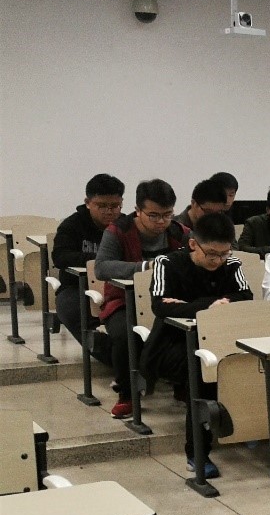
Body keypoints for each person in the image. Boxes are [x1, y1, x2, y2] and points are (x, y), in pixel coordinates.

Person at [142, 213, 251, 480]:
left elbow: (245, 296)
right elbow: (161, 306)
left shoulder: (231, 263)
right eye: (211, 254)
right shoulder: (167, 263)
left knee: (248, 363)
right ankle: (197, 453)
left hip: (218, 340)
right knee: (202, 370)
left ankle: (247, 425)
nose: (218, 261)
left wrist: (193, 305)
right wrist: (210, 305)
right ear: (193, 244)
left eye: (224, 253)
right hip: (170, 344)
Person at [95, 179, 186, 419]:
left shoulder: (179, 232)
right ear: (138, 210)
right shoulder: (117, 231)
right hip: (124, 301)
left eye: (167, 215)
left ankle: (184, 386)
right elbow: (102, 268)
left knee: (189, 330)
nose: (161, 222)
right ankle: (126, 393)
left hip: (168, 301)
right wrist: (144, 267)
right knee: (125, 335)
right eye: (153, 215)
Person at [52, 173, 125, 359]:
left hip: (119, 288)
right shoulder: (72, 225)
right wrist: (100, 259)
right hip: (77, 288)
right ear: (88, 202)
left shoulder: (126, 226)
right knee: (72, 310)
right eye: (102, 206)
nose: (109, 211)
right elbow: (60, 257)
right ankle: (109, 356)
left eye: (115, 206)